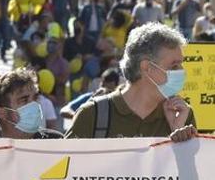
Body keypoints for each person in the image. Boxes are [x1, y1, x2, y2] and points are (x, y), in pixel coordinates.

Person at [66, 23, 196, 140]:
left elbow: (194, 166)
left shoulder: (182, 114)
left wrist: (178, 134)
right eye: (174, 66)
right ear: (147, 67)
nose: (182, 71)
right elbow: (63, 165)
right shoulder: (92, 115)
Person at [0, 68, 62, 139]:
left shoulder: (56, 141)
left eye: (35, 98)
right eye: (24, 100)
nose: (34, 105)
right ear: (3, 113)